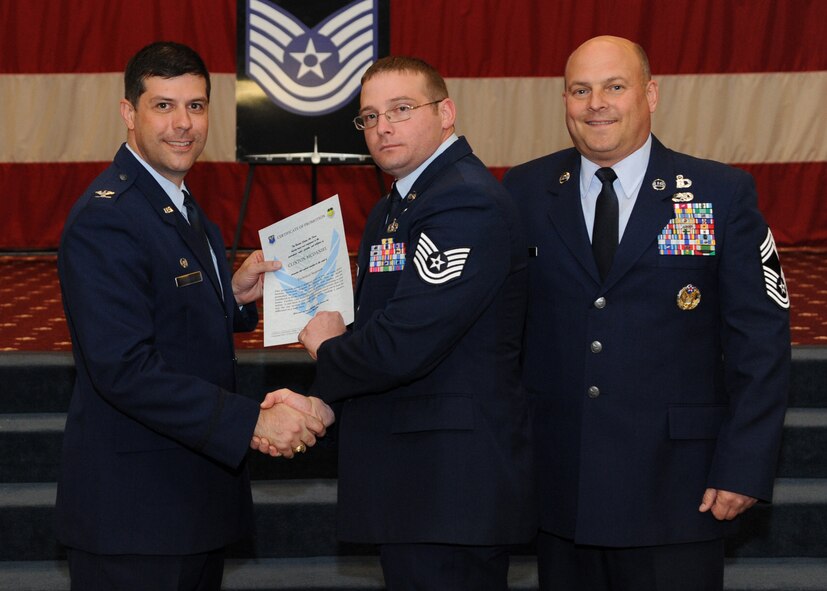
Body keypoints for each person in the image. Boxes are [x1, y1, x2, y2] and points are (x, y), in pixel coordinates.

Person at [502, 36, 791, 590]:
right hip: (562, 484)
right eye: (580, 90)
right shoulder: (527, 190)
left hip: (678, 489)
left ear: (650, 94)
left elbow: (761, 342)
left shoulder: (718, 193)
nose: (596, 104)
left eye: (615, 86)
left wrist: (744, 464)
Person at [56, 41, 333, 590]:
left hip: (188, 505)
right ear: (128, 113)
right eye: (163, 106)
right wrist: (251, 420)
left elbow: (160, 308)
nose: (183, 124)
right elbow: (125, 368)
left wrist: (230, 294)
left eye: (196, 106)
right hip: (135, 516)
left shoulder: (179, 204)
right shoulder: (107, 219)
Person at [257, 56, 534, 590]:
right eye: (369, 117)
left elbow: (405, 343)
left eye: (401, 110)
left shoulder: (463, 202)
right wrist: (322, 405)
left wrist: (328, 349)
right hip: (414, 479)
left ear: (446, 113)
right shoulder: (398, 206)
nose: (382, 127)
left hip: (450, 487)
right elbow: (380, 328)